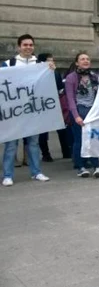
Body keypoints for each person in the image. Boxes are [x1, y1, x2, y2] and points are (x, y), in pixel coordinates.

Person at [1, 34, 51, 186]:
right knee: (11, 145)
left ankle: (36, 172)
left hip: (33, 110)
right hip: (14, 112)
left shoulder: (41, 64)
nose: (28, 47)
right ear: (19, 47)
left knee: (33, 143)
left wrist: (51, 71)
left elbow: (50, 85)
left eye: (31, 45)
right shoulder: (8, 64)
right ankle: (8, 175)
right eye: (25, 45)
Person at [65, 53, 99, 178]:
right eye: (82, 59)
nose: (85, 61)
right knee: (79, 140)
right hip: (79, 110)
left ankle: (96, 165)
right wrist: (76, 116)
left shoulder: (94, 77)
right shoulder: (71, 78)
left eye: (87, 59)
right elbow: (70, 99)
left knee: (93, 139)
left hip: (92, 111)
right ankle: (81, 166)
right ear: (77, 63)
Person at [36, 53, 72, 162]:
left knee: (61, 129)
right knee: (43, 131)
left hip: (55, 104)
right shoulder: (37, 74)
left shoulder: (55, 72)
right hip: (42, 105)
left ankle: (66, 151)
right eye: (49, 60)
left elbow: (60, 87)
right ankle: (46, 154)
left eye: (52, 60)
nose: (52, 62)